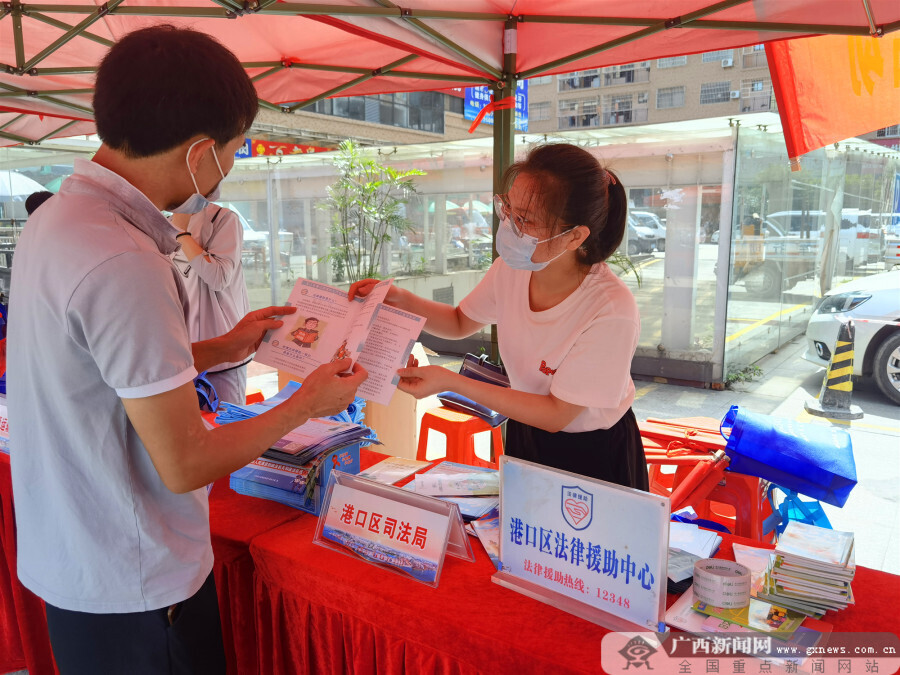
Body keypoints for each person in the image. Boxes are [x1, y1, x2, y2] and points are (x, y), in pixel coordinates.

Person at [6, 25, 366, 674]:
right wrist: (304, 404)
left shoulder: (56, 222)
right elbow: (184, 461)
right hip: (137, 587)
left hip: (78, 566)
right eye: (232, 151)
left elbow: (106, 369)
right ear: (201, 152)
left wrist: (226, 344)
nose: (227, 168)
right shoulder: (123, 259)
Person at [350, 143, 648, 490]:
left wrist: (451, 381)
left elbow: (557, 413)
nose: (508, 226)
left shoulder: (610, 310)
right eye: (508, 209)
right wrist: (400, 298)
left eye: (526, 220)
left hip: (592, 452)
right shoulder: (511, 270)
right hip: (526, 429)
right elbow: (460, 322)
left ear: (575, 236)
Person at [170, 203, 251, 405]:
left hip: (223, 354)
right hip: (182, 355)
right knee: (190, 430)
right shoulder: (164, 223)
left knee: (226, 428)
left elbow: (218, 277)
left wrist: (181, 233)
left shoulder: (223, 219)